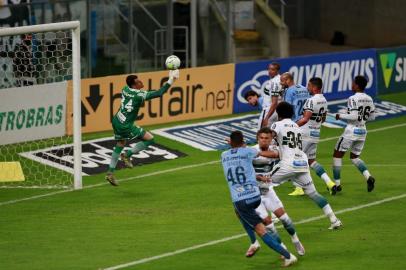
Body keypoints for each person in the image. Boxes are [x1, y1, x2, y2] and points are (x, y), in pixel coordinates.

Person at [221, 131, 298, 267]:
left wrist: (233, 145)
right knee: (238, 213)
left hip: (240, 199)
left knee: (261, 230)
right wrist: (240, 145)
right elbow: (245, 150)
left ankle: (288, 255)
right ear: (242, 142)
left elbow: (235, 150)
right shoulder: (248, 152)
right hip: (255, 196)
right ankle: (254, 242)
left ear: (231, 143)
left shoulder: (223, 155)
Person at [270, 102, 342, 230]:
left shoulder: (277, 125)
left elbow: (269, 138)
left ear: (278, 113)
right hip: (302, 163)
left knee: (263, 184)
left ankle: (274, 216)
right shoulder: (296, 126)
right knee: (313, 193)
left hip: (288, 163)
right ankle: (334, 219)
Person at [106, 69, 180, 186]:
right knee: (150, 139)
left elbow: (138, 99)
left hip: (117, 120)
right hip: (126, 125)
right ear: (134, 85)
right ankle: (127, 155)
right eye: (138, 81)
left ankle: (110, 173)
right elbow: (159, 93)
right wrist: (171, 80)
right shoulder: (139, 95)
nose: (141, 82)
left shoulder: (125, 89)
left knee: (120, 143)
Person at [245, 127, 305, 258]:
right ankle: (283, 249)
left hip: (268, 191)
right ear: (257, 138)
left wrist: (257, 153)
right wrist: (259, 177)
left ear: (271, 139)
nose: (264, 141)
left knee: (285, 219)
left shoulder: (274, 150)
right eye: (261, 138)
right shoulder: (252, 151)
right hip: (254, 195)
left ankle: (296, 240)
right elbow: (246, 172)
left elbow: (276, 155)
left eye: (267, 138)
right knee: (269, 225)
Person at [332, 75, 376, 192]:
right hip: (362, 130)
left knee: (337, 155)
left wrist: (340, 115)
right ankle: (369, 177)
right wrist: (363, 118)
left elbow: (354, 116)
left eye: (353, 83)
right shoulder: (369, 98)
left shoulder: (353, 98)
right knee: (354, 157)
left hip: (351, 130)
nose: (351, 85)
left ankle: (337, 184)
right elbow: (372, 117)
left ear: (356, 85)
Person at [296, 77, 337, 195]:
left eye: (309, 85)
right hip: (315, 134)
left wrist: (291, 126)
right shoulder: (324, 100)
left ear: (314, 87)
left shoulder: (311, 101)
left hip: (304, 134)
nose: (307, 87)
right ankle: (330, 183)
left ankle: (300, 188)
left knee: (297, 160)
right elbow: (323, 119)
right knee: (311, 161)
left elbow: (305, 119)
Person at [280, 72, 311, 196]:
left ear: (288, 80)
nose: (281, 83)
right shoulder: (304, 89)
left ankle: (299, 187)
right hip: (305, 123)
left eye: (282, 81)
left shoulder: (289, 92)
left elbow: (287, 109)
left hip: (293, 124)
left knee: (292, 155)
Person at [262, 62, 284, 127]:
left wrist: (267, 117)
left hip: (270, 110)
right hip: (276, 110)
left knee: (262, 133)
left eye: (273, 69)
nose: (270, 71)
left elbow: (274, 102)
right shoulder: (277, 79)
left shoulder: (275, 82)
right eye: (269, 69)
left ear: (277, 71)